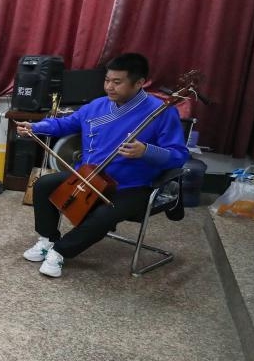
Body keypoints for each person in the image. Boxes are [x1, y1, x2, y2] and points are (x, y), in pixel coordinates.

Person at [16, 52, 189, 277]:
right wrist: (35, 127)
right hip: (91, 176)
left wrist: (146, 151)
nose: (109, 87)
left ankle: (60, 252)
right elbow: (66, 124)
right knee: (43, 185)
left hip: (132, 185)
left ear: (139, 83)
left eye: (117, 82)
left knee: (103, 216)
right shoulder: (97, 105)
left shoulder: (161, 112)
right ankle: (48, 240)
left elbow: (179, 155)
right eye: (107, 80)